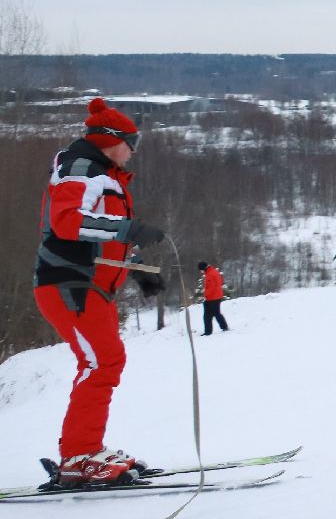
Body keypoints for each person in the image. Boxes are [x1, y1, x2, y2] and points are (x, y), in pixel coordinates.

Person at [35, 98, 167, 486]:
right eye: (132, 142)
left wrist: (139, 269)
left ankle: (84, 449)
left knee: (105, 362)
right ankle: (79, 456)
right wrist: (129, 230)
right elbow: (67, 222)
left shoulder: (102, 174)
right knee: (101, 364)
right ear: (111, 139)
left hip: (92, 287)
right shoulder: (81, 169)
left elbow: (106, 232)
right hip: (69, 283)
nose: (134, 151)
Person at [196, 262, 230, 335]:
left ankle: (208, 331)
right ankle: (224, 327)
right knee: (216, 313)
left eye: (201, 270)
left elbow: (211, 288)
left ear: (203, 268)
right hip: (216, 296)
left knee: (208, 315)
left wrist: (204, 295)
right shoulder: (214, 271)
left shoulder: (210, 275)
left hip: (213, 297)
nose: (200, 272)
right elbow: (220, 282)